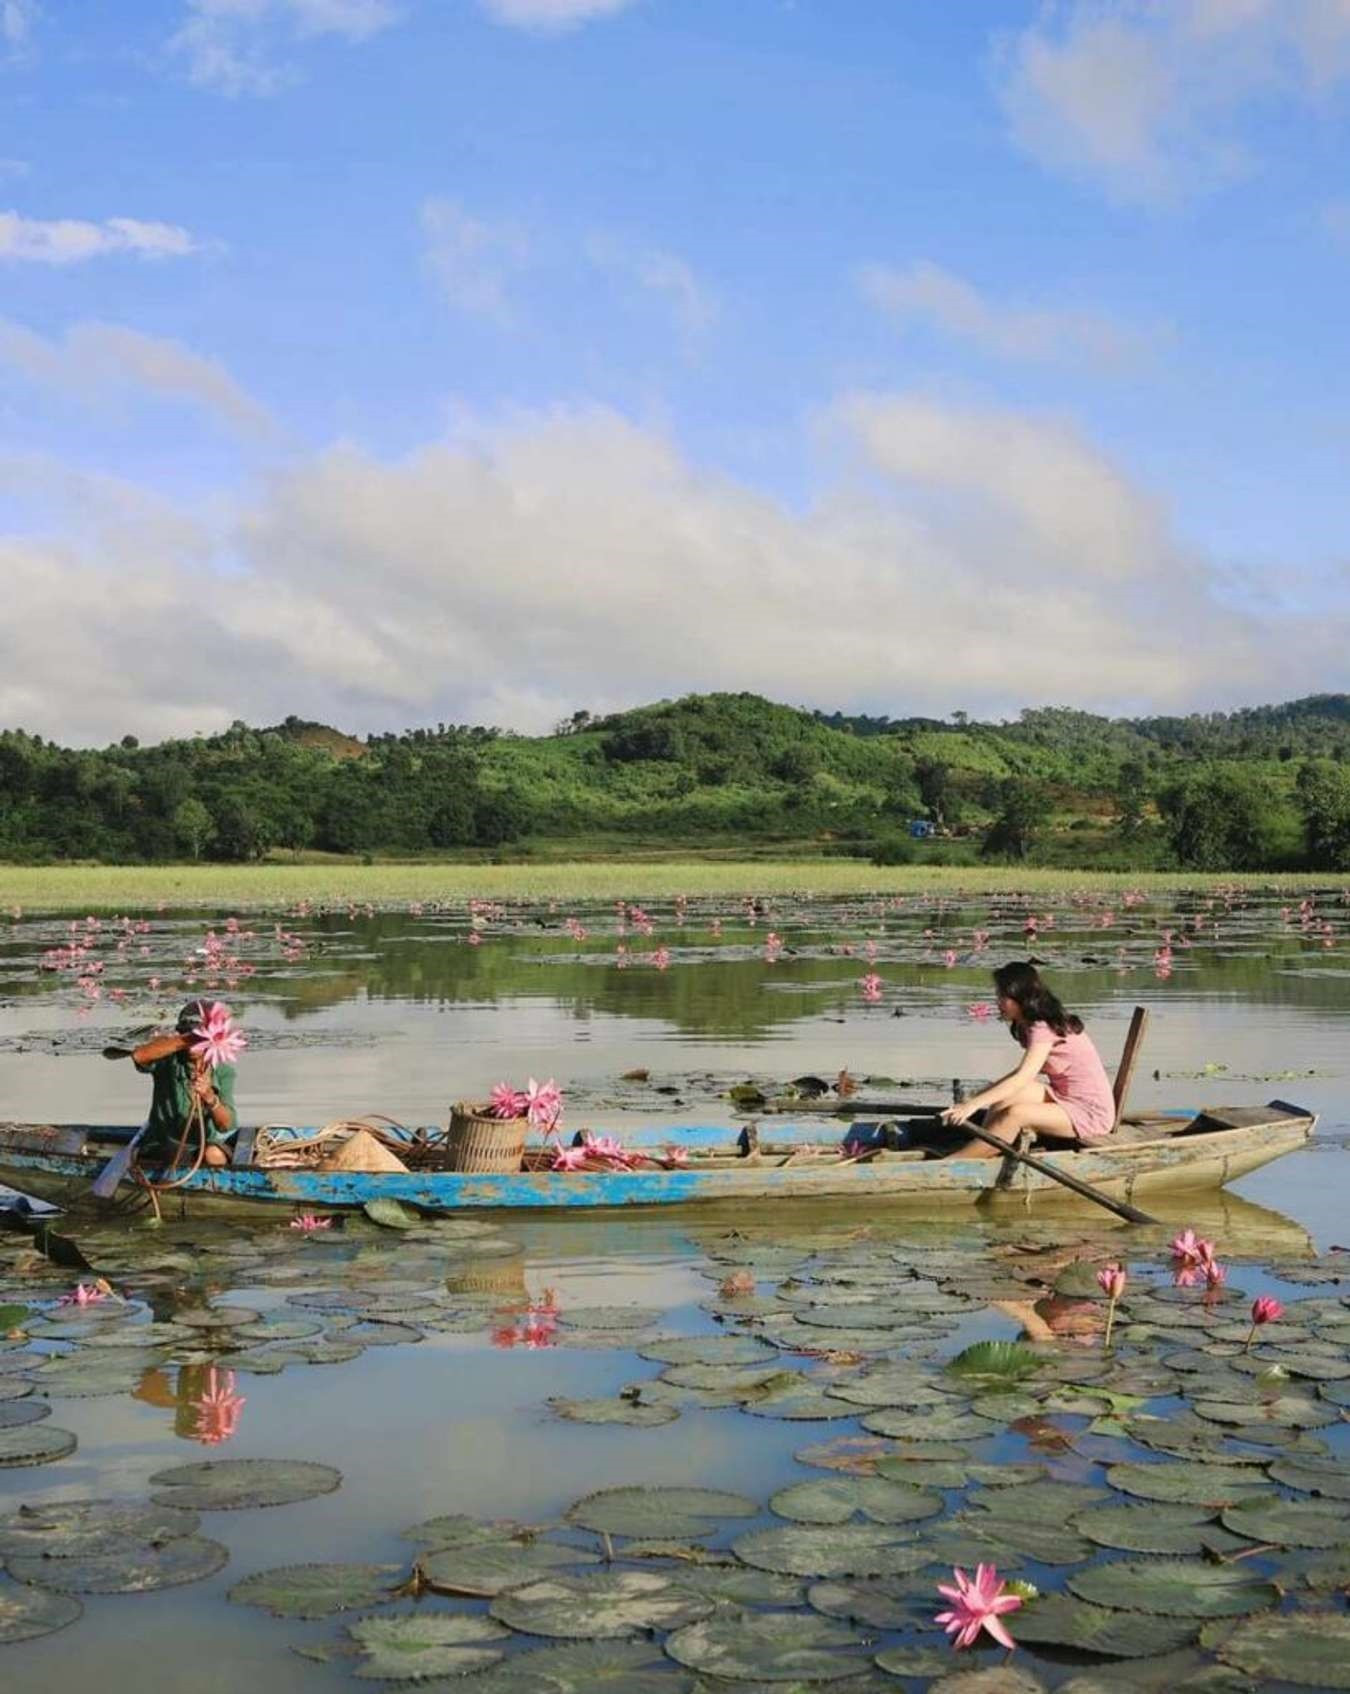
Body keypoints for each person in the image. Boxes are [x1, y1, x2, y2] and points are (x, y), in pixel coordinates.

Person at [940, 961, 1115, 1157]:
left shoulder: (1043, 1027)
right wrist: (974, 1098)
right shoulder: (1028, 1024)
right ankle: (983, 1145)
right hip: (1063, 1097)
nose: (998, 1002)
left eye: (1003, 997)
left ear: (1020, 997)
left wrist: (973, 1105)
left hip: (1089, 1113)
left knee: (1016, 1114)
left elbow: (1023, 1076)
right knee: (1008, 1096)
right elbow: (1020, 1075)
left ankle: (953, 1163)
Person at [131, 1000, 238, 1168]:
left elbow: (226, 1125)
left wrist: (210, 1097)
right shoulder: (166, 1058)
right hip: (163, 1142)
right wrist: (189, 1039)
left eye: (202, 1038)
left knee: (214, 1154)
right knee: (177, 1155)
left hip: (202, 1142)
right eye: (190, 1036)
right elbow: (139, 1056)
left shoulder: (222, 1070)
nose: (194, 1046)